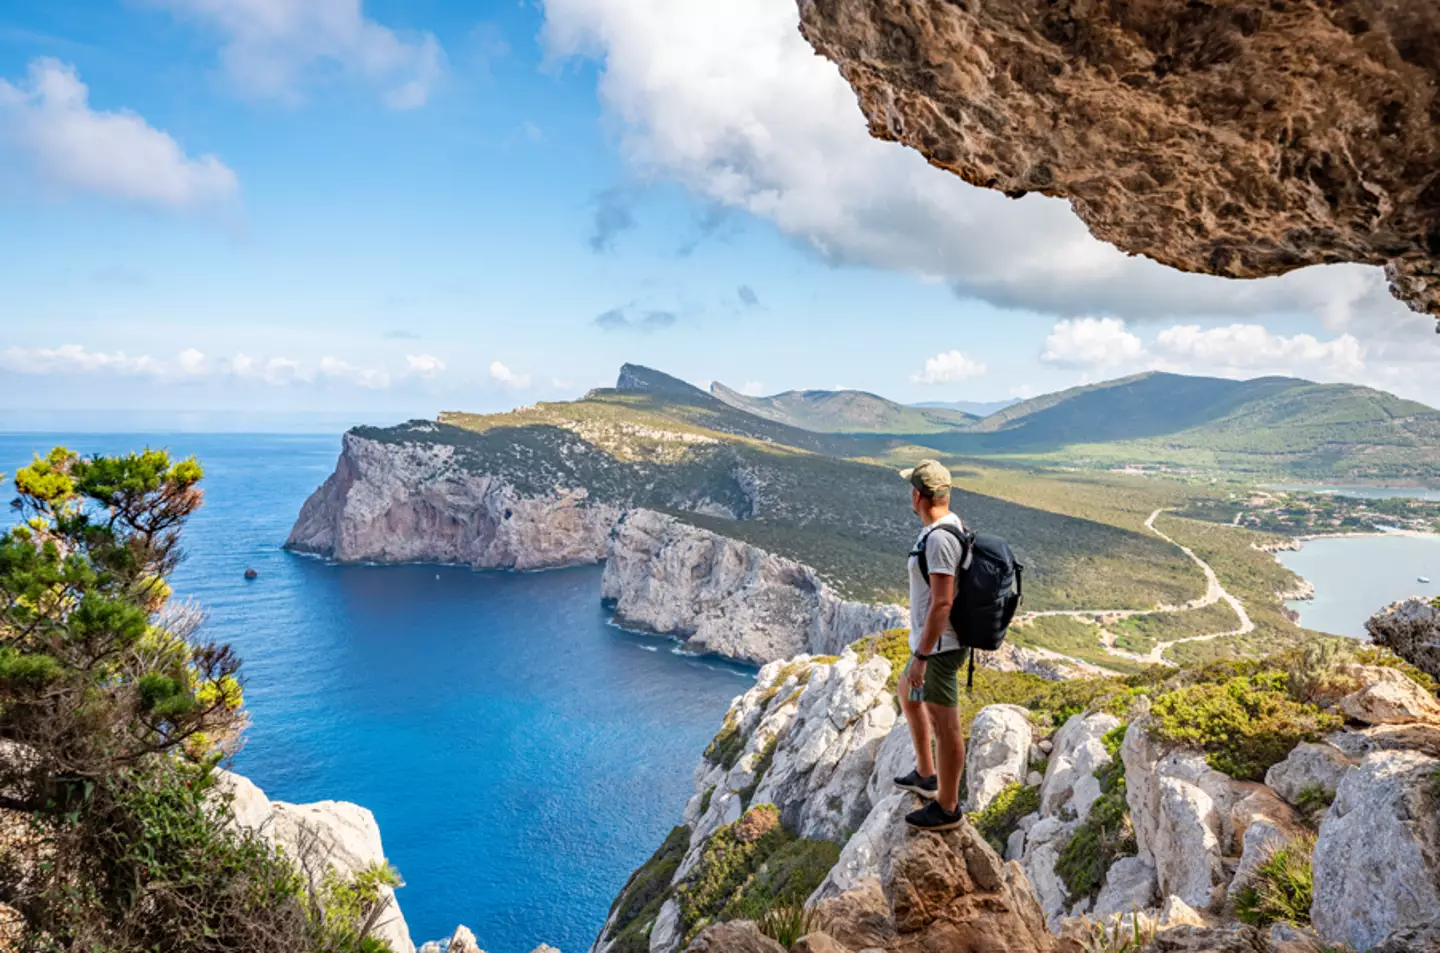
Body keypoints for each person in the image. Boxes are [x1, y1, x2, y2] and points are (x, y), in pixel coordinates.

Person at [892, 459, 969, 831]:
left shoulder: (939, 539)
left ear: (918, 496)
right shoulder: (944, 528)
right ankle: (926, 772)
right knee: (906, 692)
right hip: (930, 642)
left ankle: (948, 807)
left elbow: (943, 602)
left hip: (940, 647)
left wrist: (922, 654)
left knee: (946, 727)